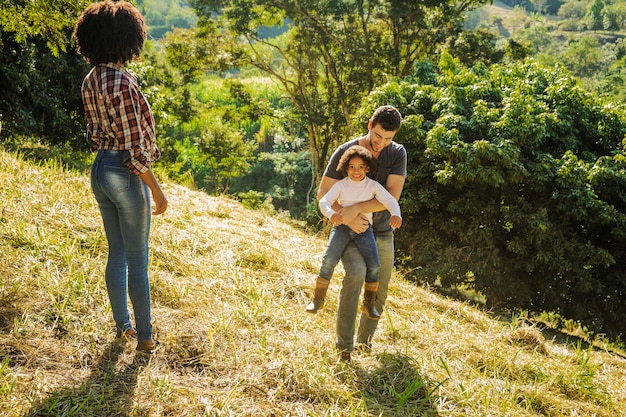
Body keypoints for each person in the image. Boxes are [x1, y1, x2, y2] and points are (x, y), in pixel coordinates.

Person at [73, 0, 168, 354]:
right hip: (124, 172)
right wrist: (157, 190)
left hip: (99, 168)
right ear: (128, 38)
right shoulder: (123, 82)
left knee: (116, 255)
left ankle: (123, 327)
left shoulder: (90, 79)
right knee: (138, 259)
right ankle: (145, 337)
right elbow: (133, 151)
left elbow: (94, 133)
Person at [316, 105, 406, 361]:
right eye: (378, 136)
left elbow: (392, 197)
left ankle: (365, 344)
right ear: (370, 125)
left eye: (389, 138)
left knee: (379, 289)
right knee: (355, 275)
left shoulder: (397, 153)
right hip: (350, 231)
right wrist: (348, 219)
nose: (382, 143)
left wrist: (357, 208)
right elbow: (324, 195)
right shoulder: (346, 152)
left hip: (382, 231)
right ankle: (344, 346)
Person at [307, 145, 402, 320]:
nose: (355, 171)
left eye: (360, 167)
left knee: (374, 266)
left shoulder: (373, 186)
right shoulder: (341, 185)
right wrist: (332, 214)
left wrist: (396, 214)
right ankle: (318, 299)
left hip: (365, 230)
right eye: (351, 167)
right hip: (342, 228)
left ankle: (369, 303)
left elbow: (390, 200)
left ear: (367, 168)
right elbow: (324, 201)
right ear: (345, 167)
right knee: (328, 260)